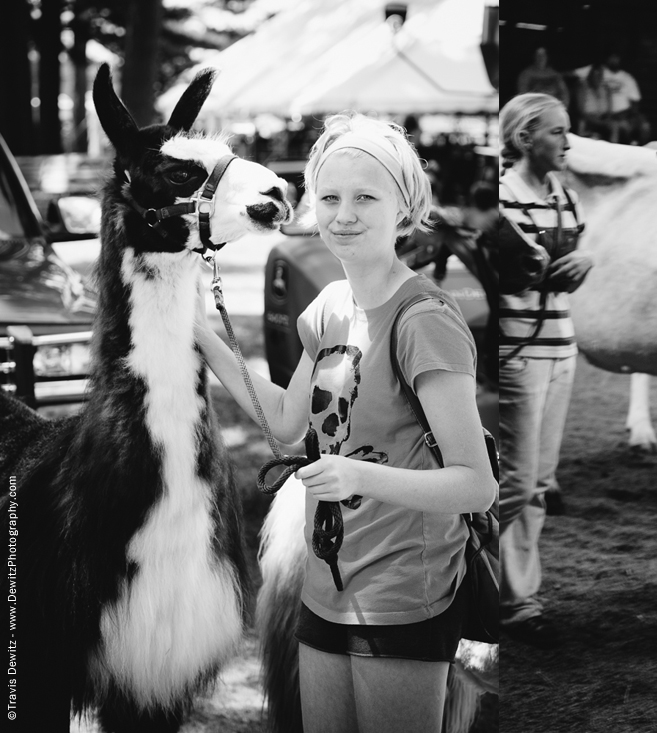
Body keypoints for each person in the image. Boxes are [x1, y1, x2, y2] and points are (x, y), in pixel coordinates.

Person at [195, 112, 497, 733]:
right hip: (323, 586)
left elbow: (475, 484)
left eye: (366, 197)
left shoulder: (424, 320)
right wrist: (198, 331)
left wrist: (355, 475)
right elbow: (283, 422)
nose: (344, 214)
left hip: (403, 595)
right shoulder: (330, 306)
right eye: (329, 197)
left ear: (405, 207)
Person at [499, 93, 593, 647]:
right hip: (518, 351)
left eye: (567, 131)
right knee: (514, 482)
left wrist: (586, 260)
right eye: (557, 132)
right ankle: (469, 568)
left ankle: (519, 601)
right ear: (524, 138)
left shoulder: (567, 196)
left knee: (535, 485)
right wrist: (531, 270)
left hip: (562, 347)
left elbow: (565, 270)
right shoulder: (503, 198)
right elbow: (504, 276)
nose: (567, 141)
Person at [602, 53, 650, 145]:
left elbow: (635, 100)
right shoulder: (598, 71)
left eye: (616, 58)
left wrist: (631, 115)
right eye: (612, 57)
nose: (614, 60)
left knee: (644, 126)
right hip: (605, 114)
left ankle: (639, 148)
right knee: (623, 126)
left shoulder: (627, 77)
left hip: (624, 113)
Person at [576, 63, 612, 140]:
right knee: (582, 123)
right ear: (591, 75)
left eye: (600, 75)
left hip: (602, 118)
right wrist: (595, 120)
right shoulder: (583, 87)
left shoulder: (606, 88)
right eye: (595, 74)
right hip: (588, 119)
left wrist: (605, 119)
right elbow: (581, 110)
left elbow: (609, 111)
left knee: (614, 126)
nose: (597, 77)